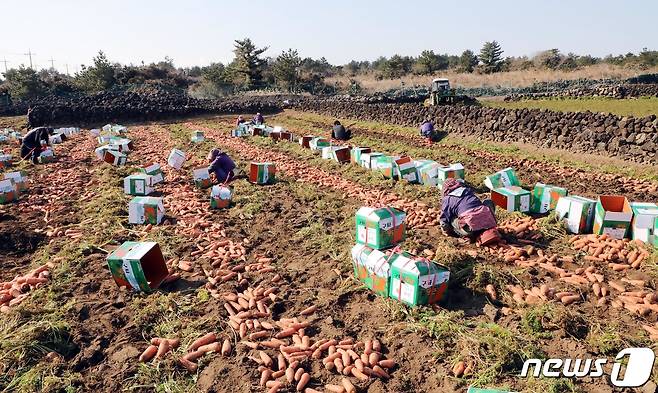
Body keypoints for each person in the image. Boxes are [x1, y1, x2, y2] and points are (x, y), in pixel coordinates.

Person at [439, 178, 500, 245]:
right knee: (488, 201)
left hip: (469, 229)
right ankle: (487, 227)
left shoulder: (447, 199)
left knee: (451, 218)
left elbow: (444, 221)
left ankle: (469, 236)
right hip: (487, 222)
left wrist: (446, 232)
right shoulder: (467, 190)